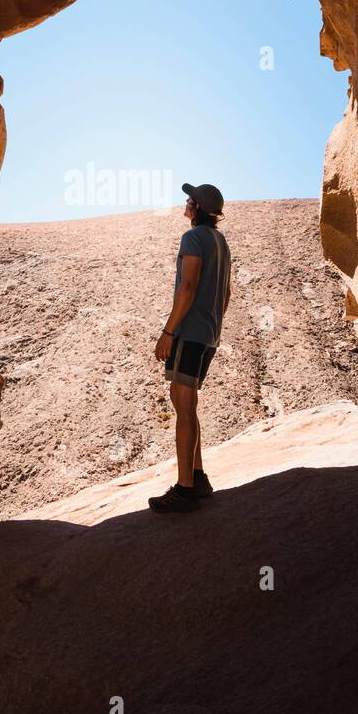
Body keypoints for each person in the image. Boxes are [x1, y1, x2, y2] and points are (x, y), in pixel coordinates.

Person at [149, 181, 231, 514]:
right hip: (208, 334)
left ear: (197, 208)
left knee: (183, 407)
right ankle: (197, 478)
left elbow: (187, 285)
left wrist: (169, 332)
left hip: (189, 332)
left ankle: (185, 490)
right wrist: (213, 326)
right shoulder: (221, 242)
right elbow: (225, 295)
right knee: (187, 403)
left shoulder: (193, 238)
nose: (185, 203)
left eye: (189, 200)